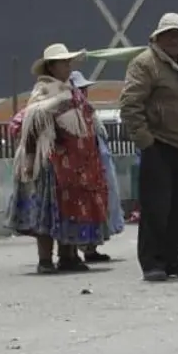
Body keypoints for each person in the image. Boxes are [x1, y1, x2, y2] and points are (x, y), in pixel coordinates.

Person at [5, 44, 111, 273]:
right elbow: (31, 119)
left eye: (68, 62)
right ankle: (45, 259)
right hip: (50, 161)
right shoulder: (43, 91)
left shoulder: (71, 90)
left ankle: (68, 256)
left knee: (68, 211)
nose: (67, 66)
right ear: (51, 66)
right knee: (47, 211)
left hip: (74, 165)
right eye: (63, 63)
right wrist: (57, 106)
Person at [120, 12, 178, 282]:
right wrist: (146, 142)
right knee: (156, 207)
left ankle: (172, 258)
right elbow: (131, 105)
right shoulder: (145, 64)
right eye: (169, 34)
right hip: (159, 144)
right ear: (158, 38)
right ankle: (152, 261)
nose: (174, 39)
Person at [70, 70, 125, 263]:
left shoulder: (89, 112)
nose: (83, 93)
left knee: (98, 206)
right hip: (79, 166)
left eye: (84, 89)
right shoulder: (70, 113)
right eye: (80, 89)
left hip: (98, 165)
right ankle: (76, 250)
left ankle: (91, 248)